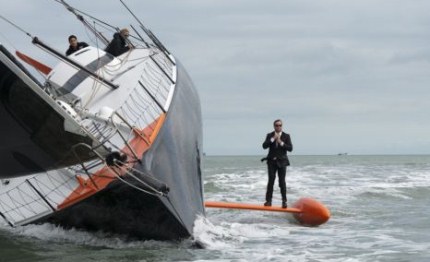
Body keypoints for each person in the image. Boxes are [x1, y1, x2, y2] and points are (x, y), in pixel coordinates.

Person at [262, 119, 293, 208]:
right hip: (271, 161)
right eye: (276, 125)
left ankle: (284, 201)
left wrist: (281, 143)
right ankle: (268, 201)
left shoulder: (286, 136)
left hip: (282, 162)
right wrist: (273, 139)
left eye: (280, 125)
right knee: (271, 181)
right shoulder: (269, 135)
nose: (278, 127)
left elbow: (290, 148)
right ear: (274, 126)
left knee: (282, 182)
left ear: (282, 126)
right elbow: (264, 146)